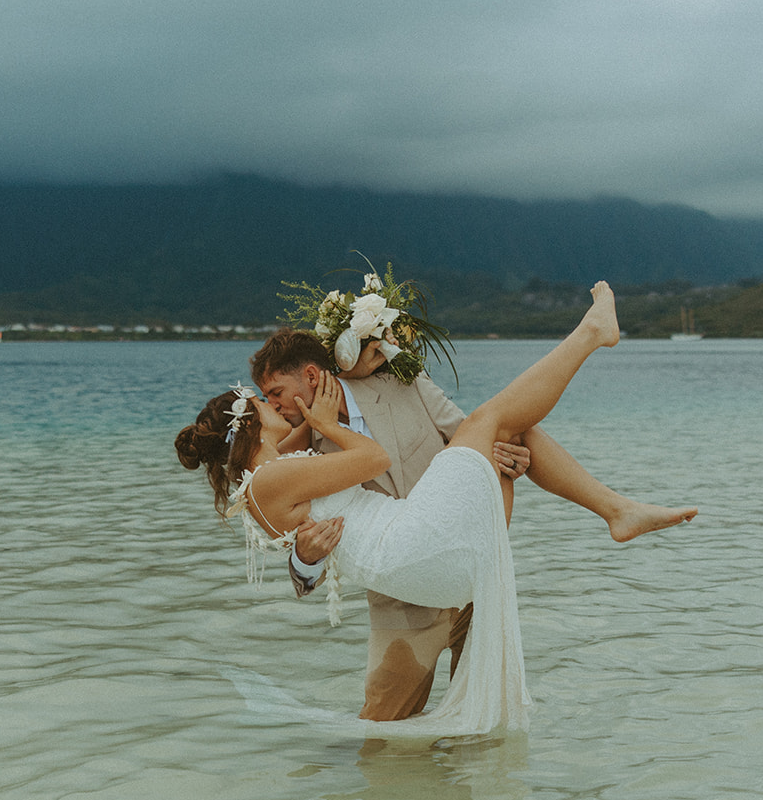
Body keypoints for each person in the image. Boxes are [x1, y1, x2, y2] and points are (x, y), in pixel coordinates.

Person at [175, 284, 696, 735]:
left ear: (312, 374)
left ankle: (614, 509)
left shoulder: (398, 379)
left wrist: (499, 454)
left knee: (510, 425)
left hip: (448, 548)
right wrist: (306, 560)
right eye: (267, 401)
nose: (280, 408)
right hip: (409, 585)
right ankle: (590, 341)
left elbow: (460, 426)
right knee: (383, 735)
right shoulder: (299, 447)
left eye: (279, 393)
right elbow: (294, 525)